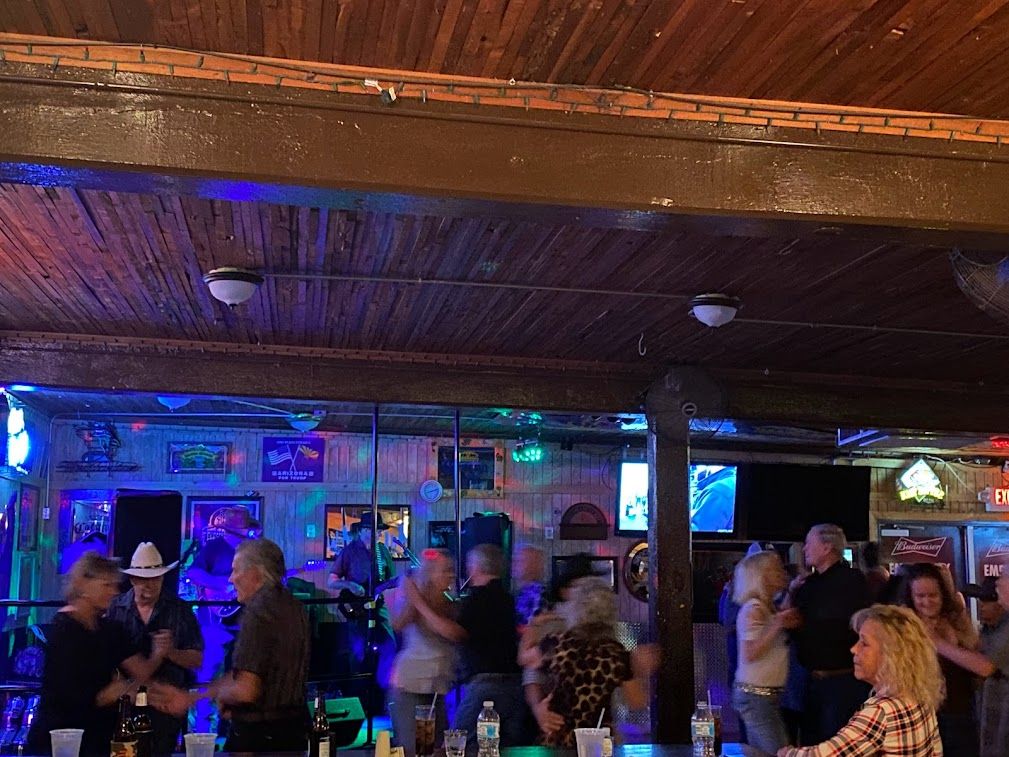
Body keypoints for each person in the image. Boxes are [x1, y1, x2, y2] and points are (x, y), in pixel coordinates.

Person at [152, 538, 310, 752]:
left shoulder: (257, 612)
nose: (231, 578)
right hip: (295, 731)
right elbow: (250, 675)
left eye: (235, 570)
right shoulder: (296, 607)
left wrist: (193, 697)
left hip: (258, 736)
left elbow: (246, 690)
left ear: (255, 573)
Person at [27, 553, 168, 756]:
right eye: (106, 585)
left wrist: (158, 657)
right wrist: (112, 692)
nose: (114, 592)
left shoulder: (109, 630)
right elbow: (72, 696)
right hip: (63, 739)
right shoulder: (64, 632)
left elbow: (140, 672)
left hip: (101, 739)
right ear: (84, 584)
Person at [776, 604, 943, 757]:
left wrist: (787, 753)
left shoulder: (881, 712)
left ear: (891, 655)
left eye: (864, 643)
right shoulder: (921, 697)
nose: (854, 649)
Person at [521, 577, 658, 747]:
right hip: (599, 740)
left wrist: (534, 624)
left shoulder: (557, 644)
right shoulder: (617, 653)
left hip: (558, 737)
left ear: (575, 609)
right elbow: (637, 702)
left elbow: (523, 658)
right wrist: (641, 671)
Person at [107, 543, 204, 754]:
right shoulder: (116, 609)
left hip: (165, 705)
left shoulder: (179, 610)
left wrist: (171, 653)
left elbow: (197, 659)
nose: (149, 585)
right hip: (125, 704)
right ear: (133, 579)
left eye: (155, 579)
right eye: (144, 579)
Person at [789, 524, 870, 745]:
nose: (804, 549)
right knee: (811, 743)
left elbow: (849, 626)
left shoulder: (852, 581)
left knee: (837, 744)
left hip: (842, 682)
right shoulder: (809, 584)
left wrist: (805, 623)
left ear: (826, 547)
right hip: (811, 682)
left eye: (809, 543)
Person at [185, 510, 262, 733]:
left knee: (240, 674)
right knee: (210, 673)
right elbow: (193, 573)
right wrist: (224, 585)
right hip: (215, 622)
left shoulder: (253, 553)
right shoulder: (214, 548)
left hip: (244, 622)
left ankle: (232, 727)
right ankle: (203, 729)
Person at [900, 562, 979, 756]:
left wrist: (940, 641)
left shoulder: (957, 621)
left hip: (959, 714)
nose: (927, 601)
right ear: (911, 597)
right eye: (920, 596)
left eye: (933, 595)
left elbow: (980, 664)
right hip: (920, 717)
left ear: (943, 595)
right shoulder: (904, 627)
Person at [452, 544, 526, 749]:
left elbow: (456, 632)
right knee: (502, 746)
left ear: (476, 566)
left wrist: (420, 604)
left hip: (485, 685)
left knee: (459, 744)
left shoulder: (477, 598)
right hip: (514, 684)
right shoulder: (508, 598)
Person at [388, 549, 460, 757]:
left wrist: (418, 600)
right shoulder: (414, 601)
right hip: (411, 686)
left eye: (452, 570)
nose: (451, 575)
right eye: (445, 570)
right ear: (430, 573)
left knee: (437, 749)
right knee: (417, 750)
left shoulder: (449, 604)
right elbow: (397, 624)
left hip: (437, 686)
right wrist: (413, 597)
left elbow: (452, 632)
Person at [732, 551, 802, 756]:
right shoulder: (752, 609)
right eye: (776, 569)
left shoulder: (767, 607)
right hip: (756, 697)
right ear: (761, 576)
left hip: (763, 696)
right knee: (781, 753)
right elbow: (749, 652)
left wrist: (792, 591)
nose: (782, 573)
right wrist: (779, 623)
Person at [327, 511, 396, 710]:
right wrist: (350, 585)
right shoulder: (350, 551)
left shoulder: (382, 552)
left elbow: (390, 580)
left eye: (379, 531)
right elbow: (332, 580)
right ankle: (357, 702)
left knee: (390, 646)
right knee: (357, 654)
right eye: (372, 530)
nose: (376, 534)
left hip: (378, 606)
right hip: (357, 610)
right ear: (363, 530)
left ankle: (383, 698)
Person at [513, 545, 547, 632]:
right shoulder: (521, 593)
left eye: (520, 561)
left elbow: (525, 629)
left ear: (533, 565)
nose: (514, 564)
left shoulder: (536, 596)